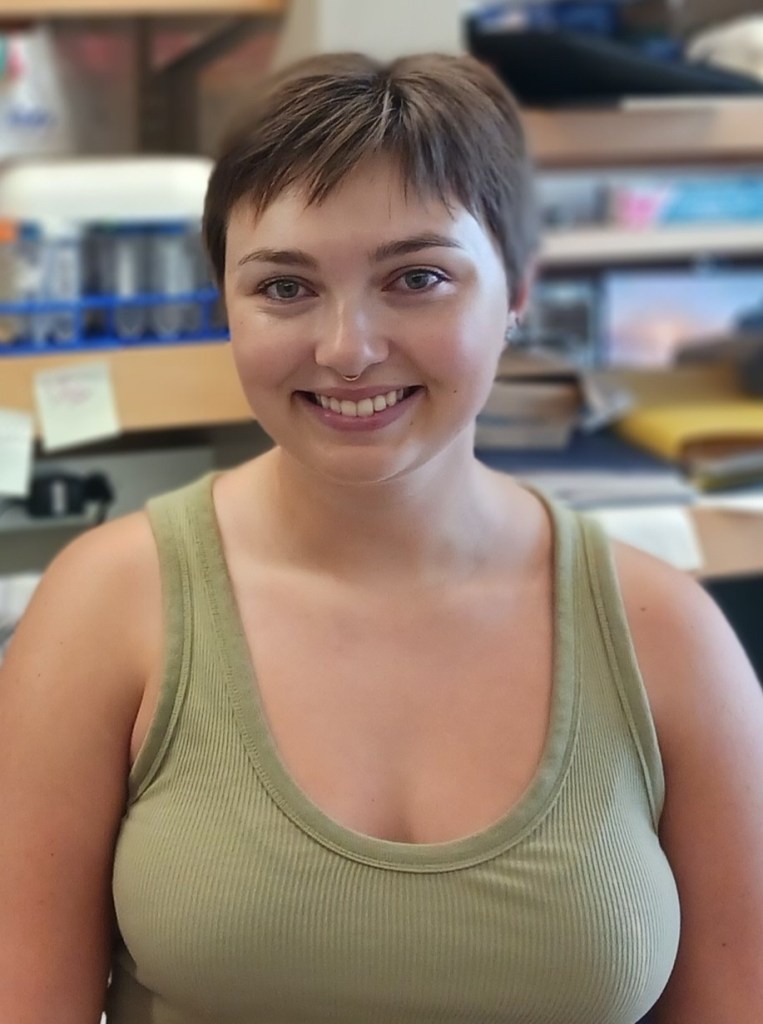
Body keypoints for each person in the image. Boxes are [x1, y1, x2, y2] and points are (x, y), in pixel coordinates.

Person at [1, 50, 762, 1024]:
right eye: (285, 288)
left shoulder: (668, 634)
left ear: (517, 292)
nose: (347, 348)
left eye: (417, 278)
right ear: (224, 302)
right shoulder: (106, 608)